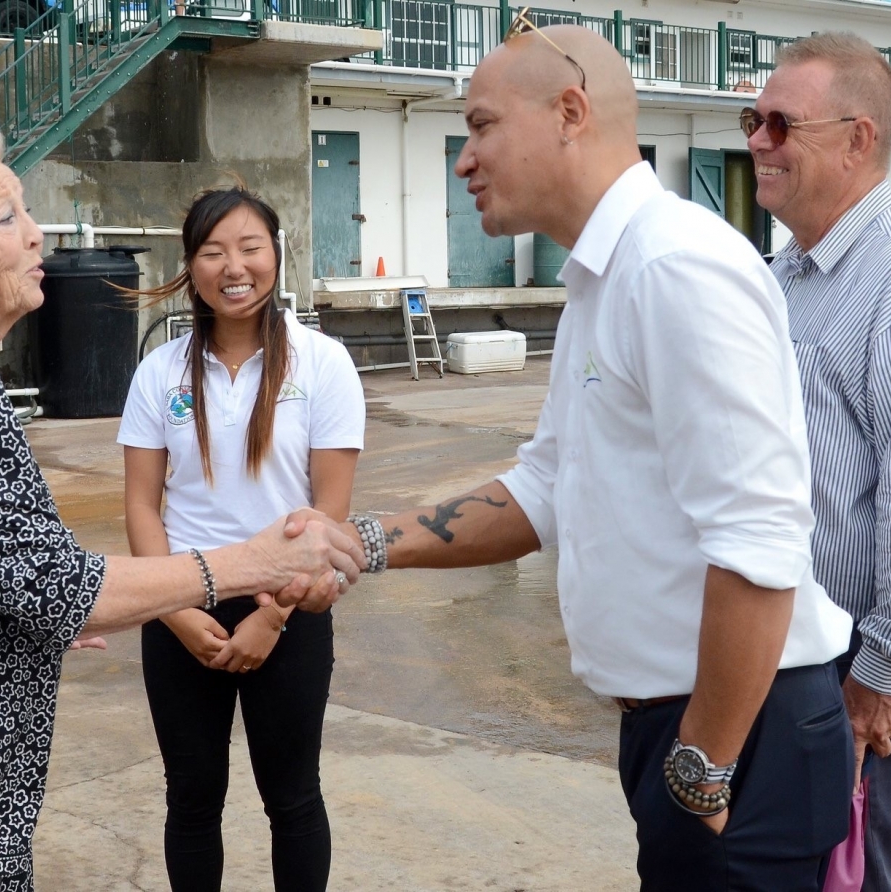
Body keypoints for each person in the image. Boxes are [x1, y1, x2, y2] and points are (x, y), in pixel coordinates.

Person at [286, 19, 856, 890]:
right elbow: (547, 484)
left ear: (570, 111)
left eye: (481, 127)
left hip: (743, 737)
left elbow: (759, 542)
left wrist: (701, 766)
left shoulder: (674, 267)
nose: (464, 159)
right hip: (694, 728)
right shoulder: (605, 275)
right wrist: (360, 540)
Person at [0, 107, 362, 892]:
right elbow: (62, 588)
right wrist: (253, 561)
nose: (36, 233)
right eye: (4, 215)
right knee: (195, 797)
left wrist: (18, 623)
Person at [116, 186, 365, 891]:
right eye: (213, 251)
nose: (235, 267)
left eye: (251, 248)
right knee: (192, 800)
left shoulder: (322, 364)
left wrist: (274, 615)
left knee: (292, 798)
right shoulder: (160, 372)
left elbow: (330, 513)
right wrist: (173, 610)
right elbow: (141, 504)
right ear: (191, 265)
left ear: (275, 256)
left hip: (287, 608)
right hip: (180, 607)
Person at [746, 33, 891, 891]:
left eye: (783, 124)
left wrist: (885, 675)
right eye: (754, 120)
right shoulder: (783, 279)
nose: (759, 141)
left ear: (859, 139)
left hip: (871, 684)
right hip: (798, 668)